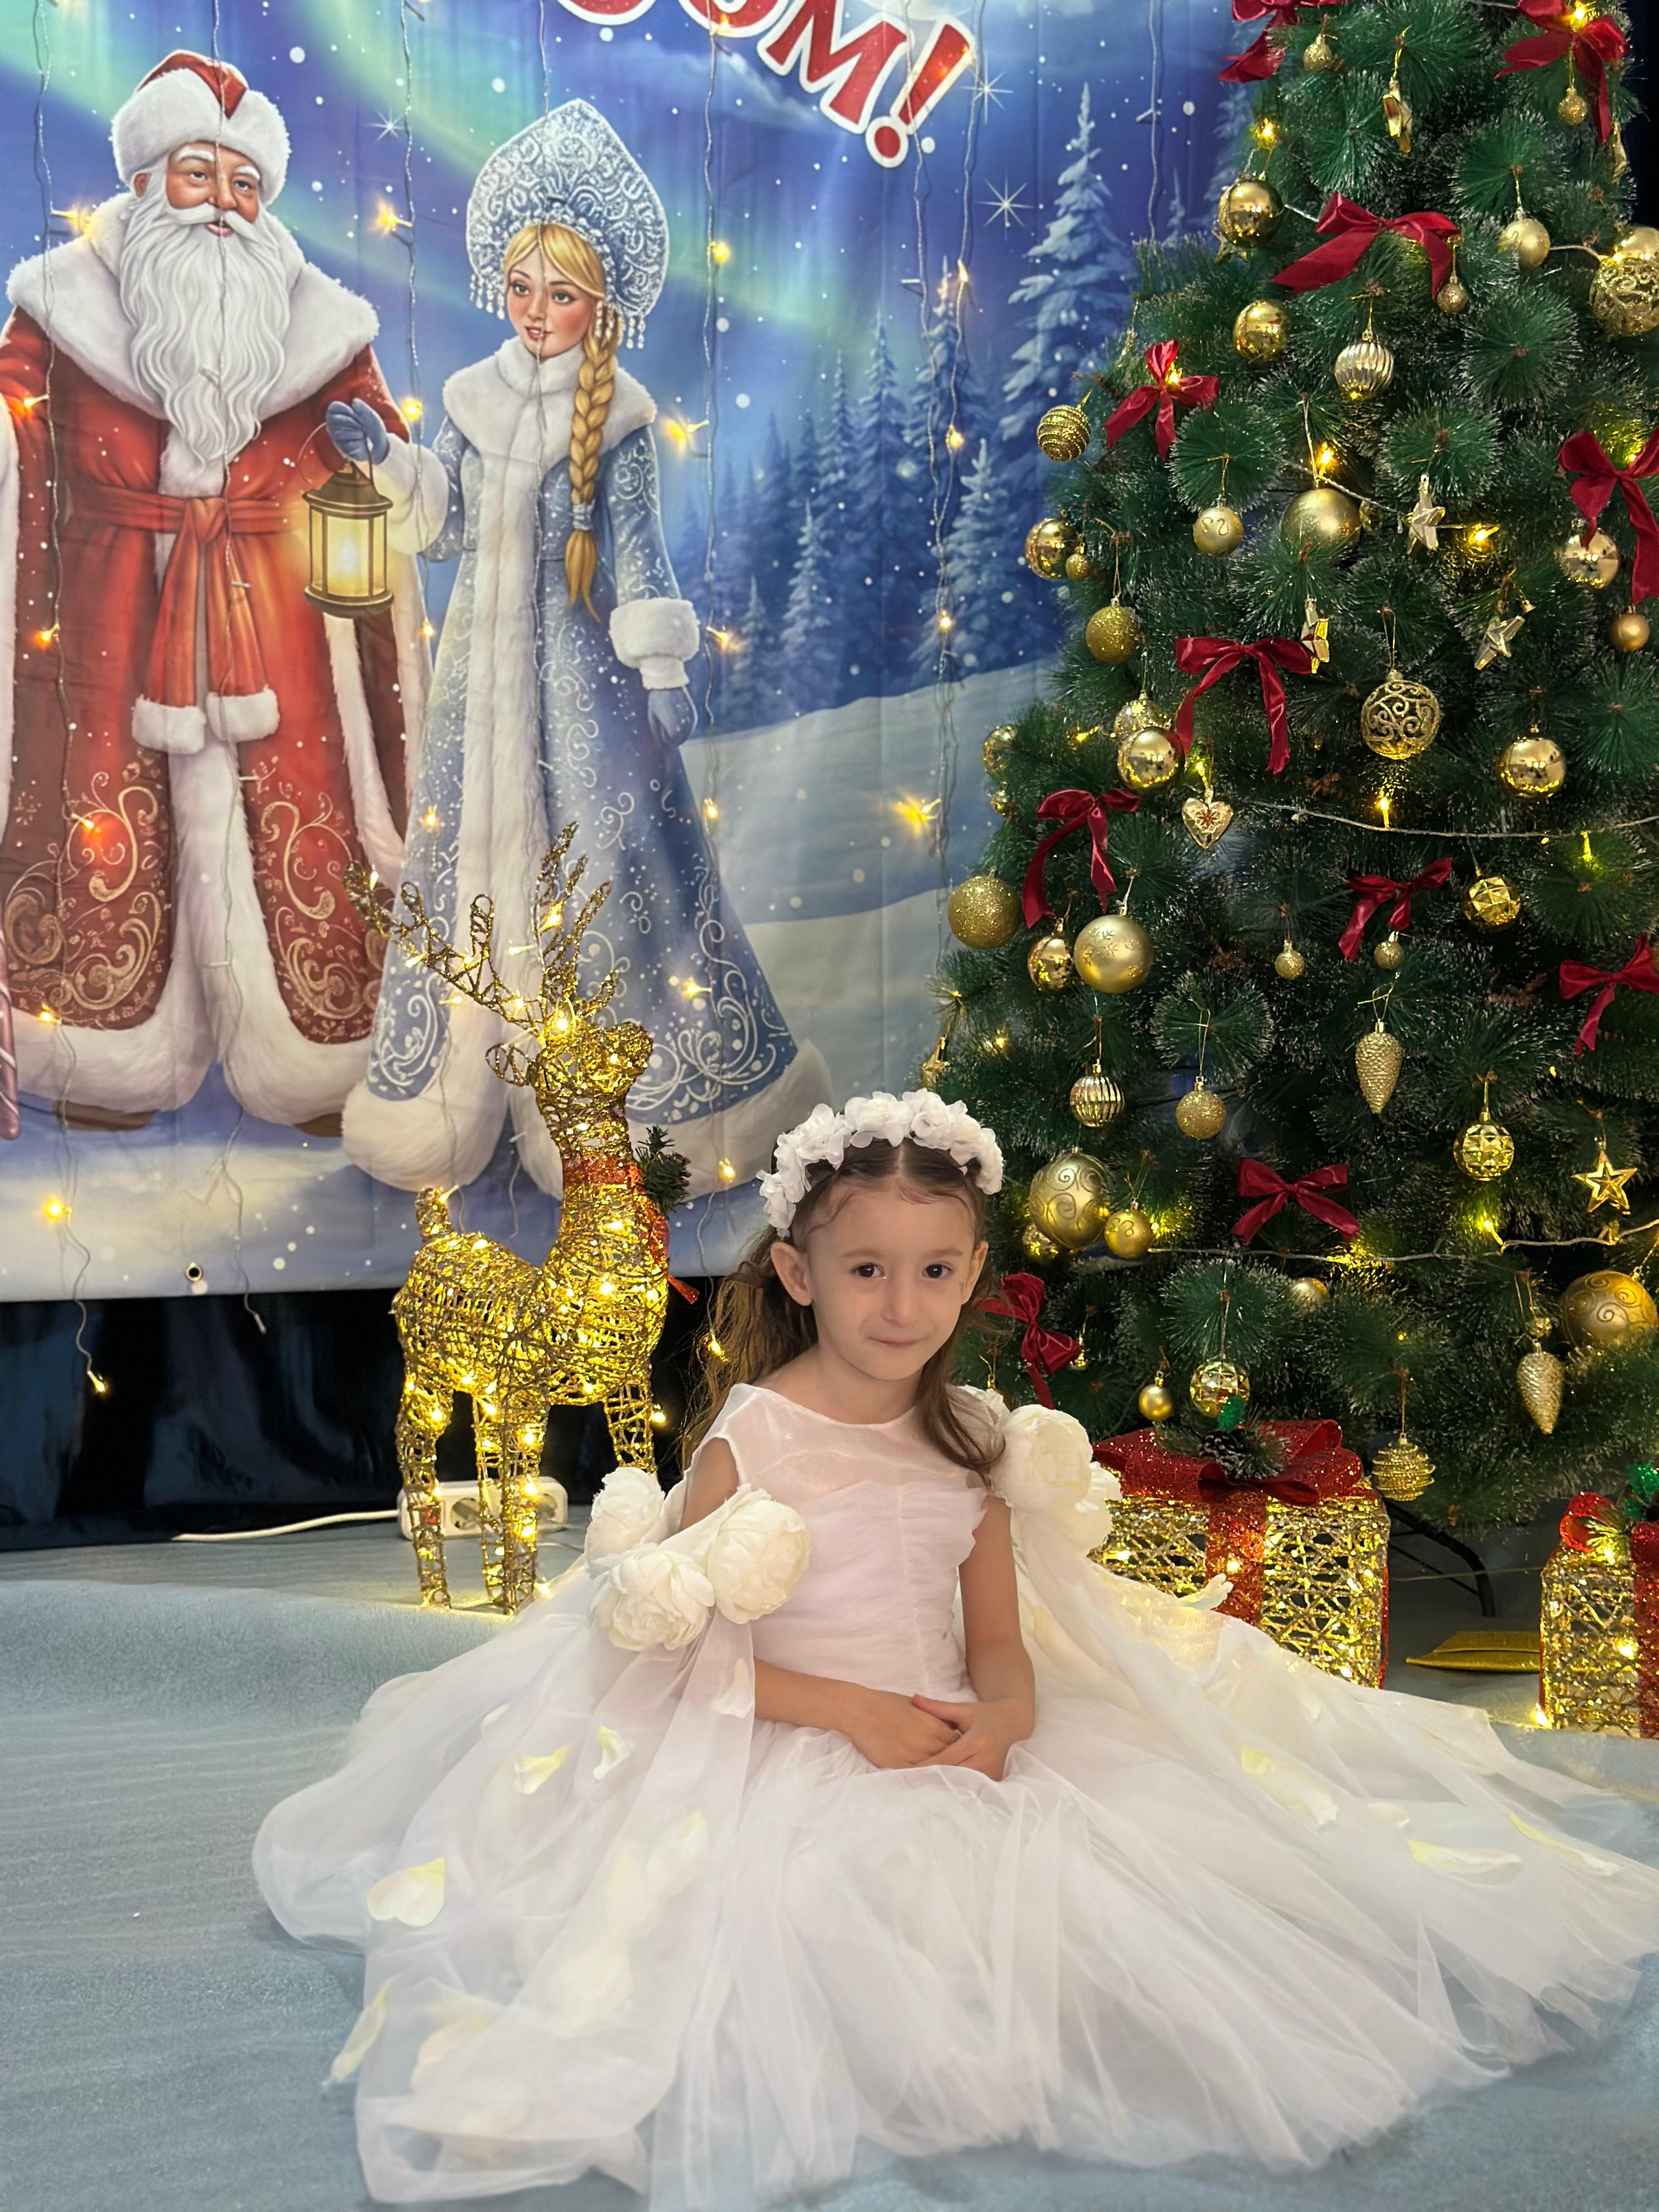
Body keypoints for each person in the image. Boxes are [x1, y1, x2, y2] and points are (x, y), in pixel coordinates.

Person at [255, 1088, 1659, 2208]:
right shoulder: (756, 1434)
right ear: (800, 1272)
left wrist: (1004, 1716)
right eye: (866, 1270)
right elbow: (669, 1647)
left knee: (1135, 1901)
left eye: (934, 1271)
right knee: (807, 1926)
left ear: (975, 1270)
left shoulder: (976, 1438)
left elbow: (1000, 1636)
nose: (901, 1305)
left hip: (947, 1726)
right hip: (777, 1725)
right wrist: (849, 1712)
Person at [337, 101, 827, 1201]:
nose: (536, 311)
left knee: (607, 874)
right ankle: (451, 1098)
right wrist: (393, 466)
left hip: (581, 689)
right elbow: (444, 528)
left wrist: (661, 673)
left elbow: (643, 561)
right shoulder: (472, 398)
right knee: (466, 867)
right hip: (479, 693)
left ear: (601, 302)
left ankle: (628, 1111)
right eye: (521, 288)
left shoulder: (622, 422)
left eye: (560, 293)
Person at [0, 51, 427, 1135]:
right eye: (200, 176)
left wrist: (379, 466)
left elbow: (395, 468)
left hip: (283, 635)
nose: (225, 206)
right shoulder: (58, 307)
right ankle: (99, 1060)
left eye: (246, 185)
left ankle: (324, 1058)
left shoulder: (324, 327)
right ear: (146, 180)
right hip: (108, 628)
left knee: (310, 835)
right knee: (103, 832)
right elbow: (14, 429)